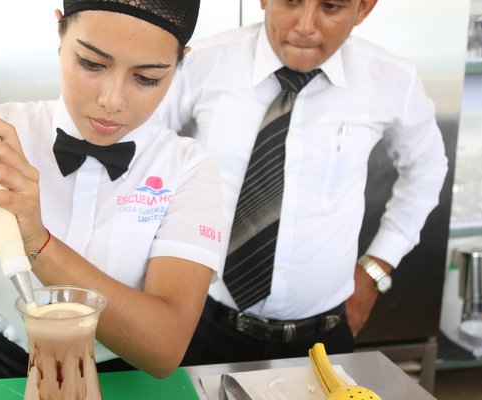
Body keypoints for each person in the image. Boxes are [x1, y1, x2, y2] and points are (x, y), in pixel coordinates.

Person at [0, 0, 230, 380]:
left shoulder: (187, 166)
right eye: (92, 64)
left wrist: (37, 241)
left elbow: (165, 349)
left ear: (181, 62)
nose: (112, 101)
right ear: (60, 32)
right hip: (6, 374)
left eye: (146, 78)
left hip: (127, 381)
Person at [153, 0, 449, 364]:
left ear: (364, 8)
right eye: (291, 1)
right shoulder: (202, 63)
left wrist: (376, 268)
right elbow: (145, 157)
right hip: (202, 322)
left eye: (331, 7)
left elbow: (427, 170)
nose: (306, 25)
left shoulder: (391, 79)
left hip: (323, 338)